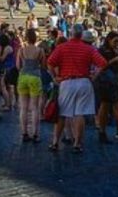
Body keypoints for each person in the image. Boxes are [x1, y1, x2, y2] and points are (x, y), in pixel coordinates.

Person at [46, 25, 107, 153]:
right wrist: (94, 76)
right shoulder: (89, 49)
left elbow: (50, 62)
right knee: (80, 114)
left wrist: (54, 77)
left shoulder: (62, 47)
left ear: (71, 34)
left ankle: (55, 142)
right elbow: (103, 63)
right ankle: (77, 143)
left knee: (62, 114)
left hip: (66, 81)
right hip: (84, 81)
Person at [16, 28, 45, 142]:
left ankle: (24, 133)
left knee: (23, 107)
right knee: (35, 108)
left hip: (23, 76)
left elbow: (18, 66)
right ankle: (35, 134)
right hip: (35, 77)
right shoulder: (40, 50)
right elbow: (43, 66)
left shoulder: (21, 50)